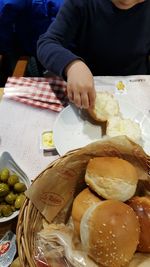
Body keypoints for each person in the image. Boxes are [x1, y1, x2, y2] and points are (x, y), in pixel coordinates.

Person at [37, 0, 150, 109]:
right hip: (88, 90)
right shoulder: (81, 3)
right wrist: (72, 65)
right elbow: (47, 43)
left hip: (136, 87)